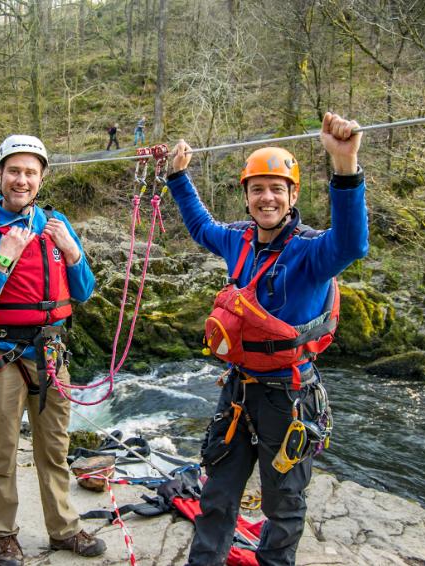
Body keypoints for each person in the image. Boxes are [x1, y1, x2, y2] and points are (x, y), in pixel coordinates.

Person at [166, 112, 368, 566]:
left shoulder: (313, 252)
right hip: (239, 389)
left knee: (284, 504)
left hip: (289, 394)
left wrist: (345, 166)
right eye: (258, 189)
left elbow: (352, 243)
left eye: (277, 188)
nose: (267, 197)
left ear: (293, 195)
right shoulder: (237, 240)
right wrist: (178, 177)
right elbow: (201, 227)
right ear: (247, 197)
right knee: (217, 493)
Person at [0, 134, 106, 566]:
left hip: (52, 353)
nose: (22, 180)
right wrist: (2, 259)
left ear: (41, 179)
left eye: (30, 173)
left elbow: (85, 292)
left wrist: (74, 254)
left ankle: (64, 529)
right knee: (0, 452)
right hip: (1, 355)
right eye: (14, 171)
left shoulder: (57, 226)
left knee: (54, 450)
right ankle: (3, 535)